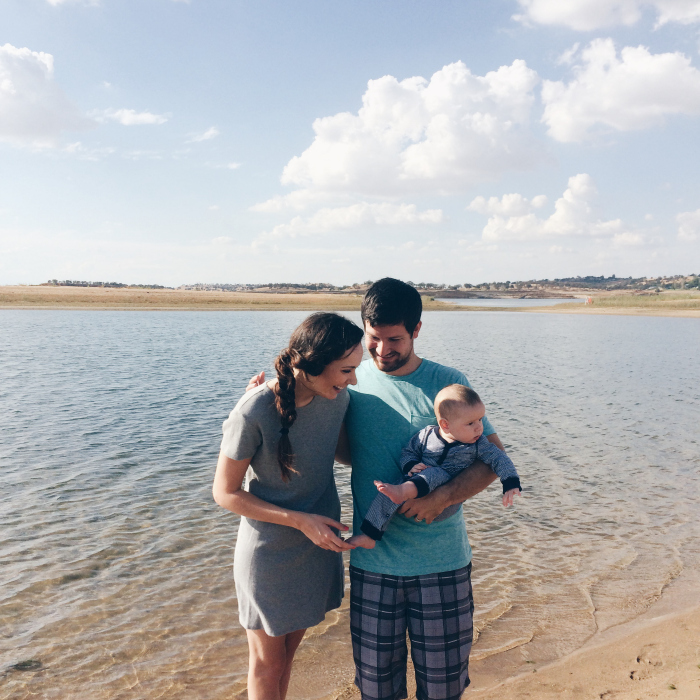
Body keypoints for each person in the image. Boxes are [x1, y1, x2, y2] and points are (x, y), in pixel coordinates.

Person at [247, 278, 507, 700]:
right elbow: (310, 429)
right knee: (375, 691)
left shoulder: (447, 383)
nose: (383, 350)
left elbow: (492, 458)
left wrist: (442, 496)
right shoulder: (347, 380)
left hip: (440, 564)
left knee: (443, 690)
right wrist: (259, 399)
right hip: (372, 564)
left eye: (395, 339)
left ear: (417, 330)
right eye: (374, 338)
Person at [212, 312, 363, 700]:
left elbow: (342, 453)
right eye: (346, 370)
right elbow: (225, 493)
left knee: (289, 655)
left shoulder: (337, 398)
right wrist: (301, 521)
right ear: (312, 363)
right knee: (267, 664)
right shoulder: (254, 409)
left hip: (317, 545)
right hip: (269, 553)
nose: (353, 380)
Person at [348, 383, 521, 549]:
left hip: (444, 499)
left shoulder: (479, 445)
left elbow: (500, 458)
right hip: (416, 483)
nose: (479, 428)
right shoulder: (427, 435)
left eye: (480, 420)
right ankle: (369, 536)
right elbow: (409, 452)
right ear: (445, 425)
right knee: (385, 495)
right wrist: (411, 465)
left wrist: (510, 482)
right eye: (471, 423)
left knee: (435, 473)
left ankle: (401, 492)